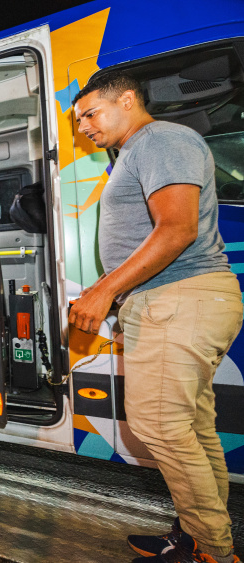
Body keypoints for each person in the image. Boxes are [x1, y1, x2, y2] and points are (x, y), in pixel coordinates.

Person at [70, 71, 242, 563]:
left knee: (159, 424)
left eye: (90, 114)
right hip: (171, 301)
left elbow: (177, 228)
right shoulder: (138, 151)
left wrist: (105, 290)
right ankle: (195, 536)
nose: (83, 126)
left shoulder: (160, 139)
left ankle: (212, 550)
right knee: (192, 425)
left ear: (127, 100)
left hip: (180, 296)